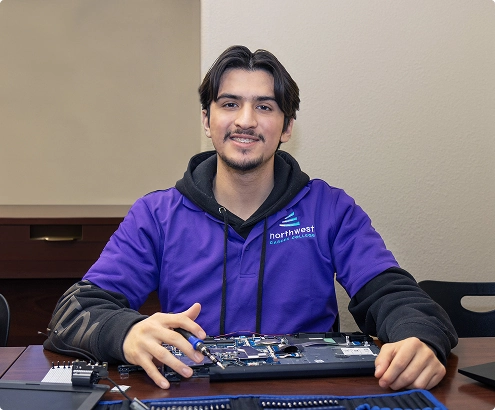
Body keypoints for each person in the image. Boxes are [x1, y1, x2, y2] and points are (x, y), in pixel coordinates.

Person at [44, 45, 457, 391]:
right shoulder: (157, 214)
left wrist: (419, 337)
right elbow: (73, 313)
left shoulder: (329, 208)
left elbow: (393, 294)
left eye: (265, 106)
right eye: (229, 104)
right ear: (207, 120)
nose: (245, 120)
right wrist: (127, 333)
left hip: (310, 396)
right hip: (191, 392)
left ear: (287, 125)